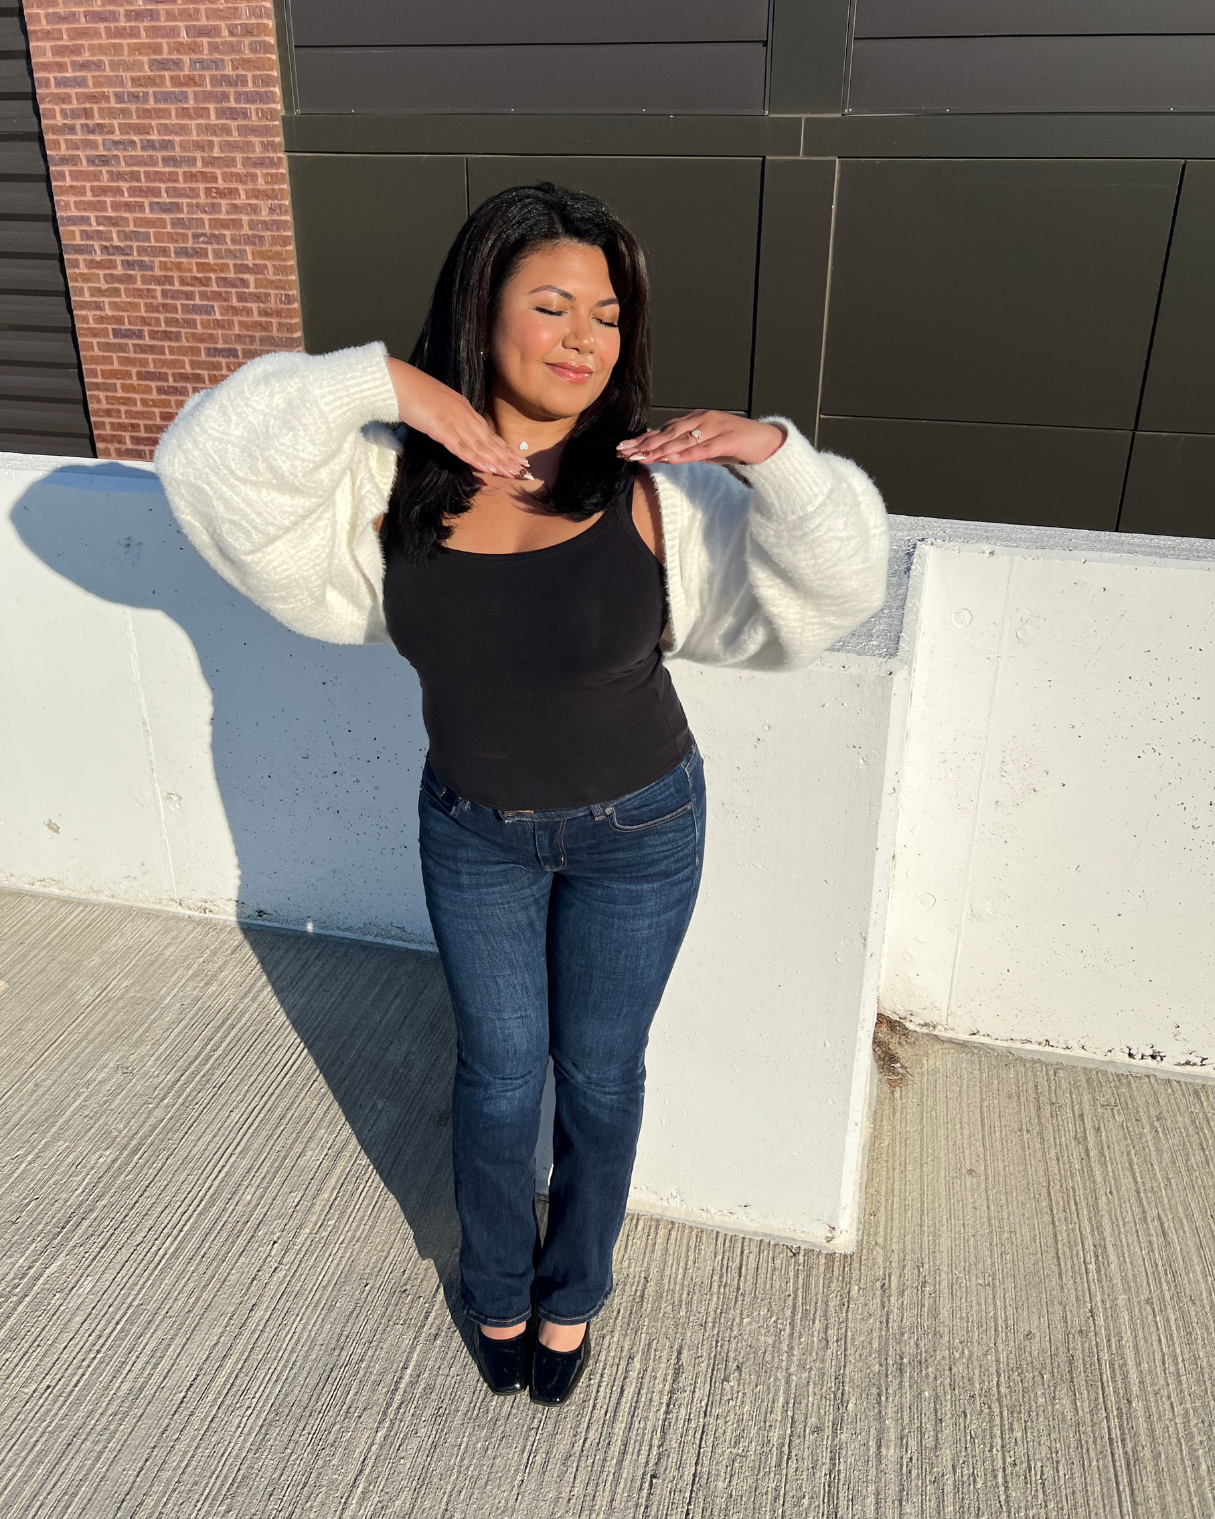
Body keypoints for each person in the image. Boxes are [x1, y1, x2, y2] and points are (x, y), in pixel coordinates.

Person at [155, 181, 889, 1407]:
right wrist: (387, 385)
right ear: (479, 313)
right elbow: (208, 468)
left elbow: (840, 581)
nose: (585, 339)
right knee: (498, 1071)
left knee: (600, 1071)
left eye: (607, 313)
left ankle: (576, 1289)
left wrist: (776, 455)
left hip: (642, 829)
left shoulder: (655, 483)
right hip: (474, 831)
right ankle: (497, 1279)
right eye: (551, 305)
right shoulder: (391, 482)